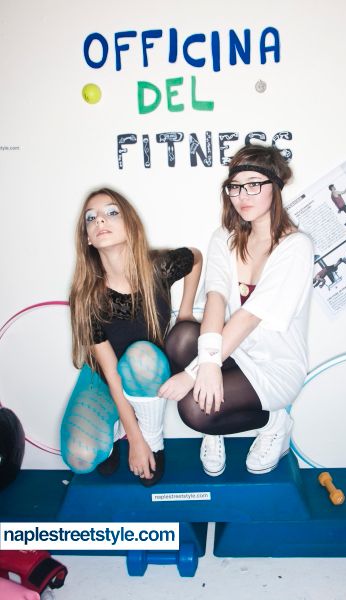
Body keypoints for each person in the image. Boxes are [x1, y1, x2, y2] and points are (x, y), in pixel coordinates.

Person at [159, 145, 314, 476]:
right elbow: (215, 297)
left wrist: (196, 372)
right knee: (181, 338)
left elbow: (249, 316)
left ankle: (274, 421)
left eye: (253, 184)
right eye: (235, 186)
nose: (242, 195)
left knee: (194, 410)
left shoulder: (296, 247)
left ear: (275, 187)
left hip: (274, 366)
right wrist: (207, 365)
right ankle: (216, 418)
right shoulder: (224, 238)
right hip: (233, 350)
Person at [61, 188, 202, 485]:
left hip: (146, 369)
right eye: (91, 218)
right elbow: (112, 373)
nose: (100, 220)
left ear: (130, 225)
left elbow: (196, 258)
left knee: (141, 356)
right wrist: (132, 441)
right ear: (87, 238)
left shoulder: (159, 268)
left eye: (111, 213)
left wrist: (186, 312)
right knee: (80, 458)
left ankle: (153, 438)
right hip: (105, 376)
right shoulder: (86, 296)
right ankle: (116, 430)